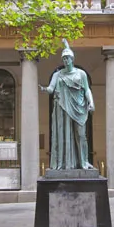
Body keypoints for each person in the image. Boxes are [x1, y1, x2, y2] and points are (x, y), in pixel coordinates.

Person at [39, 39, 95, 170]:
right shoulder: (58, 75)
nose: (65, 61)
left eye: (68, 58)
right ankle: (64, 163)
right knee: (63, 135)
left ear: (72, 59)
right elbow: (51, 89)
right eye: (64, 59)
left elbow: (87, 90)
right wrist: (43, 89)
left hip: (79, 107)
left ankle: (84, 162)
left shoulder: (81, 74)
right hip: (63, 108)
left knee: (80, 135)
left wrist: (91, 102)